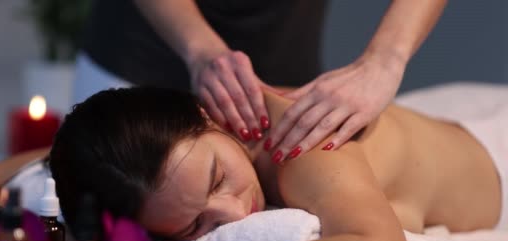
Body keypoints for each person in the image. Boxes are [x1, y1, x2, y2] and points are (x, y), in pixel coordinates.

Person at [0, 86, 506, 241]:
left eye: (219, 177)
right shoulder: (136, 155)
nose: (237, 213)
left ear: (211, 118)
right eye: (194, 224)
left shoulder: (304, 148)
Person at [76, 0, 447, 162]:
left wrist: (385, 61)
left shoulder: (307, 149)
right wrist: (200, 49)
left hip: (287, 74)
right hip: (138, 67)